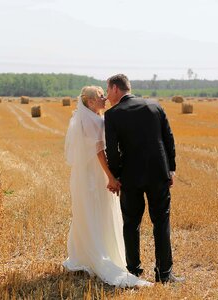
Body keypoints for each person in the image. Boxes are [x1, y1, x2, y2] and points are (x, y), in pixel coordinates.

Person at [63, 86, 152, 288]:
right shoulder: (93, 120)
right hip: (95, 175)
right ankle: (99, 255)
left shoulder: (84, 117)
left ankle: (84, 255)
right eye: (101, 96)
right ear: (91, 102)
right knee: (98, 211)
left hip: (84, 175)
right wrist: (110, 176)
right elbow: (99, 152)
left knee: (88, 212)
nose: (105, 98)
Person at [104, 74, 184, 284]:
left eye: (107, 89)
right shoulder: (155, 106)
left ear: (114, 88)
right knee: (161, 222)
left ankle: (133, 272)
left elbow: (112, 151)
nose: (106, 95)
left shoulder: (113, 115)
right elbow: (169, 139)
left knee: (131, 223)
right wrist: (171, 169)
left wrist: (116, 175)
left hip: (130, 176)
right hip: (159, 173)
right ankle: (164, 273)